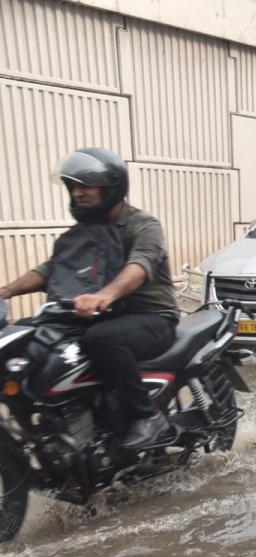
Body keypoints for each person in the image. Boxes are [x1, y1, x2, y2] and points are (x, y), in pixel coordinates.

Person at [0, 148, 179, 449]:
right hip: (99, 316)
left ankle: (147, 417)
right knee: (29, 336)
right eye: (73, 187)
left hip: (151, 318)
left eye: (86, 186)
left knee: (101, 339)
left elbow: (140, 265)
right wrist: (6, 291)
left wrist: (104, 295)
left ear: (111, 187)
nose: (78, 193)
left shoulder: (143, 225)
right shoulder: (80, 234)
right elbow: (51, 270)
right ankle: (61, 425)